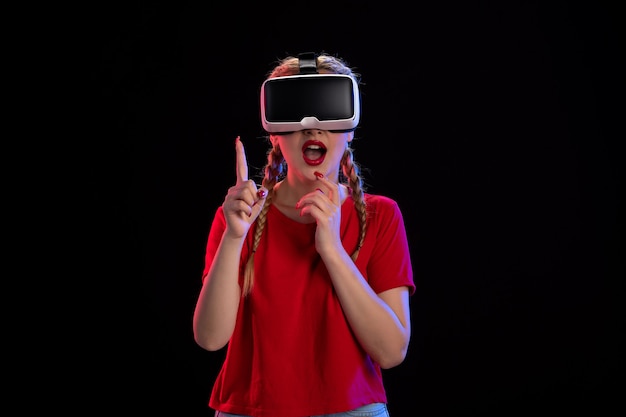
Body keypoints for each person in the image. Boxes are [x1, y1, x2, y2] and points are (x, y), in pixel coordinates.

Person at [193, 52, 415, 417]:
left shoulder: (381, 216)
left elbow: (392, 352)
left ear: (350, 130)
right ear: (275, 134)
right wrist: (233, 238)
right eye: (296, 114)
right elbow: (210, 338)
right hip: (249, 410)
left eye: (328, 112)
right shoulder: (238, 218)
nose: (313, 128)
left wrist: (332, 249)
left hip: (353, 410)